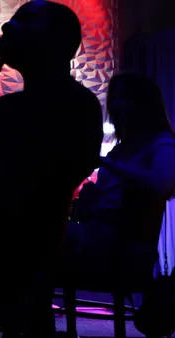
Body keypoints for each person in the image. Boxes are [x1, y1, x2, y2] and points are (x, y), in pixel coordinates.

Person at [0, 1, 104, 336]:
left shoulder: (74, 106)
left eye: (24, 21)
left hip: (14, 246)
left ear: (56, 40)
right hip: (11, 245)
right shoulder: (69, 104)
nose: (8, 28)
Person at [63, 72, 175, 287]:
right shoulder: (122, 149)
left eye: (124, 97)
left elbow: (162, 184)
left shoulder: (162, 143)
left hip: (124, 248)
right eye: (113, 97)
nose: (115, 103)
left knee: (40, 236)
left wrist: (107, 164)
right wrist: (89, 201)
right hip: (102, 236)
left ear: (143, 104)